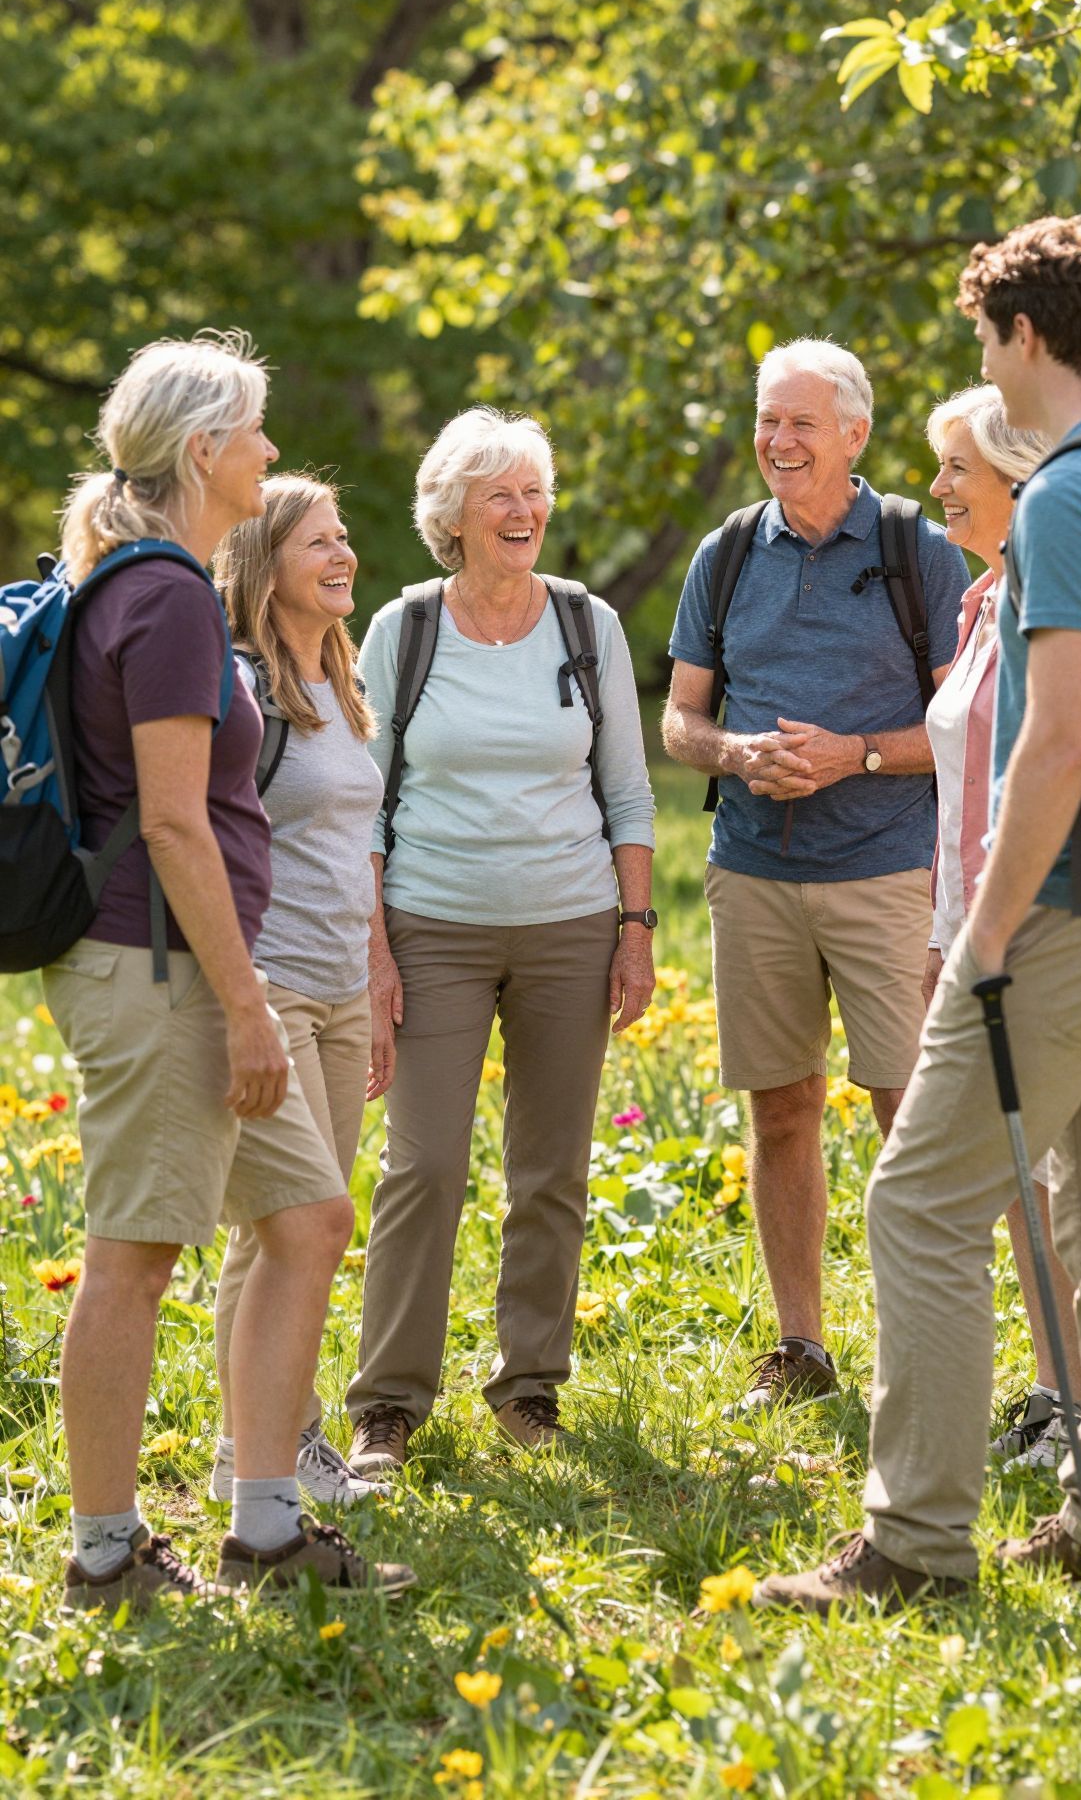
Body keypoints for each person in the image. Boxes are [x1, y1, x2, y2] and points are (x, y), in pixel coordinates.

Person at [754, 215, 1081, 1615]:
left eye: (987, 337)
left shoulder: (1071, 500)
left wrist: (982, 934)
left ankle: (915, 1544)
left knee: (920, 1204)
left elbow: (1054, 739)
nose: (986, 358)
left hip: (1070, 905)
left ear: (1025, 337)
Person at [44, 335, 414, 1610]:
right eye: (257, 431)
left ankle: (263, 1527)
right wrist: (248, 1002)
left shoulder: (166, 584)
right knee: (136, 1257)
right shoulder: (168, 599)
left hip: (190, 965)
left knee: (307, 1219)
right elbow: (171, 819)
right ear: (206, 448)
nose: (269, 450)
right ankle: (103, 1553)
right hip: (160, 973)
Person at [345, 407, 656, 1476]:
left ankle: (530, 1384)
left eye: (533, 490)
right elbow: (363, 803)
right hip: (433, 925)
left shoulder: (587, 623)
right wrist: (375, 949)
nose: (523, 510)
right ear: (454, 514)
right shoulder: (405, 629)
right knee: (422, 1163)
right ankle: (387, 1400)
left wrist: (636, 927)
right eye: (500, 493)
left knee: (551, 1168)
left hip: (571, 924)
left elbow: (626, 787)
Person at [663, 340, 968, 1412]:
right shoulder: (729, 551)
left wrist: (857, 753)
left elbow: (963, 725)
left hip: (889, 871)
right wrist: (740, 755)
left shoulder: (916, 549)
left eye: (801, 422)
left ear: (853, 434)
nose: (778, 441)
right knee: (781, 1110)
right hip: (752, 871)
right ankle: (802, 1347)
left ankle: (921, 1352)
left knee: (908, 1110)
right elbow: (680, 717)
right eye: (766, 419)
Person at [211, 475, 384, 1510]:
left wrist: (374, 968)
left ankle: (274, 1440)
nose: (342, 553)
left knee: (305, 1232)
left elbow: (354, 842)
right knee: (283, 1227)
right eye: (317, 541)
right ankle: (260, 1451)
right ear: (264, 562)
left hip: (339, 985)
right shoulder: (244, 688)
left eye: (344, 536)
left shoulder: (339, 683)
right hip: (272, 981)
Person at [923, 387, 1081, 1469]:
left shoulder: (1053, 604)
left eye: (955, 471)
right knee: (1026, 1181)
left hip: (1042, 928)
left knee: (1067, 1181)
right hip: (966, 928)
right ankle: (1056, 1384)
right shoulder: (981, 603)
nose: (936, 489)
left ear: (1018, 485)